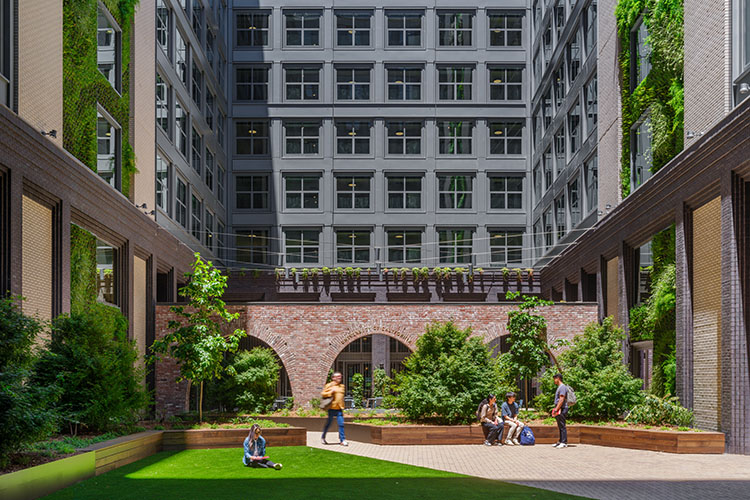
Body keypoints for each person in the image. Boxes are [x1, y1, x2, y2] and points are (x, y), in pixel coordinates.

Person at [321, 371, 348, 446]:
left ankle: (342, 440)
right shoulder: (329, 385)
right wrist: (330, 392)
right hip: (331, 408)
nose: (340, 377)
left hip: (339, 409)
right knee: (329, 424)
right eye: (338, 376)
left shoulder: (342, 386)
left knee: (341, 424)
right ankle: (323, 437)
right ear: (333, 378)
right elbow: (323, 393)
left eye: (340, 376)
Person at [552, 373, 568, 449]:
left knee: (562, 425)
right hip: (559, 408)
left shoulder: (562, 387)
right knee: (560, 425)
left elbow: (561, 399)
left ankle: (564, 442)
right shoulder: (560, 387)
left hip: (562, 408)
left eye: (554, 379)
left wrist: (556, 409)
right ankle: (561, 441)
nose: (554, 381)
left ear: (558, 378)